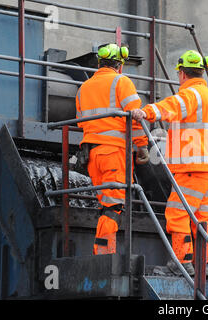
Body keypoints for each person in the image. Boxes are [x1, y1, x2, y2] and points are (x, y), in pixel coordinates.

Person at [132, 50, 208, 275]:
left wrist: (144, 112)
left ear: (182, 74)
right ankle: (203, 266)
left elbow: (171, 106)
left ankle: (181, 263)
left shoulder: (191, 94)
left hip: (193, 166)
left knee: (177, 212)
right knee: (203, 218)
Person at [75, 43, 149, 255]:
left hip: (91, 155)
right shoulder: (121, 81)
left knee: (106, 203)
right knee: (114, 205)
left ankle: (103, 250)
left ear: (99, 63)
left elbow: (81, 122)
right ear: (120, 65)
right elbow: (135, 118)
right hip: (113, 153)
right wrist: (142, 146)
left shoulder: (84, 88)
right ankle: (104, 254)